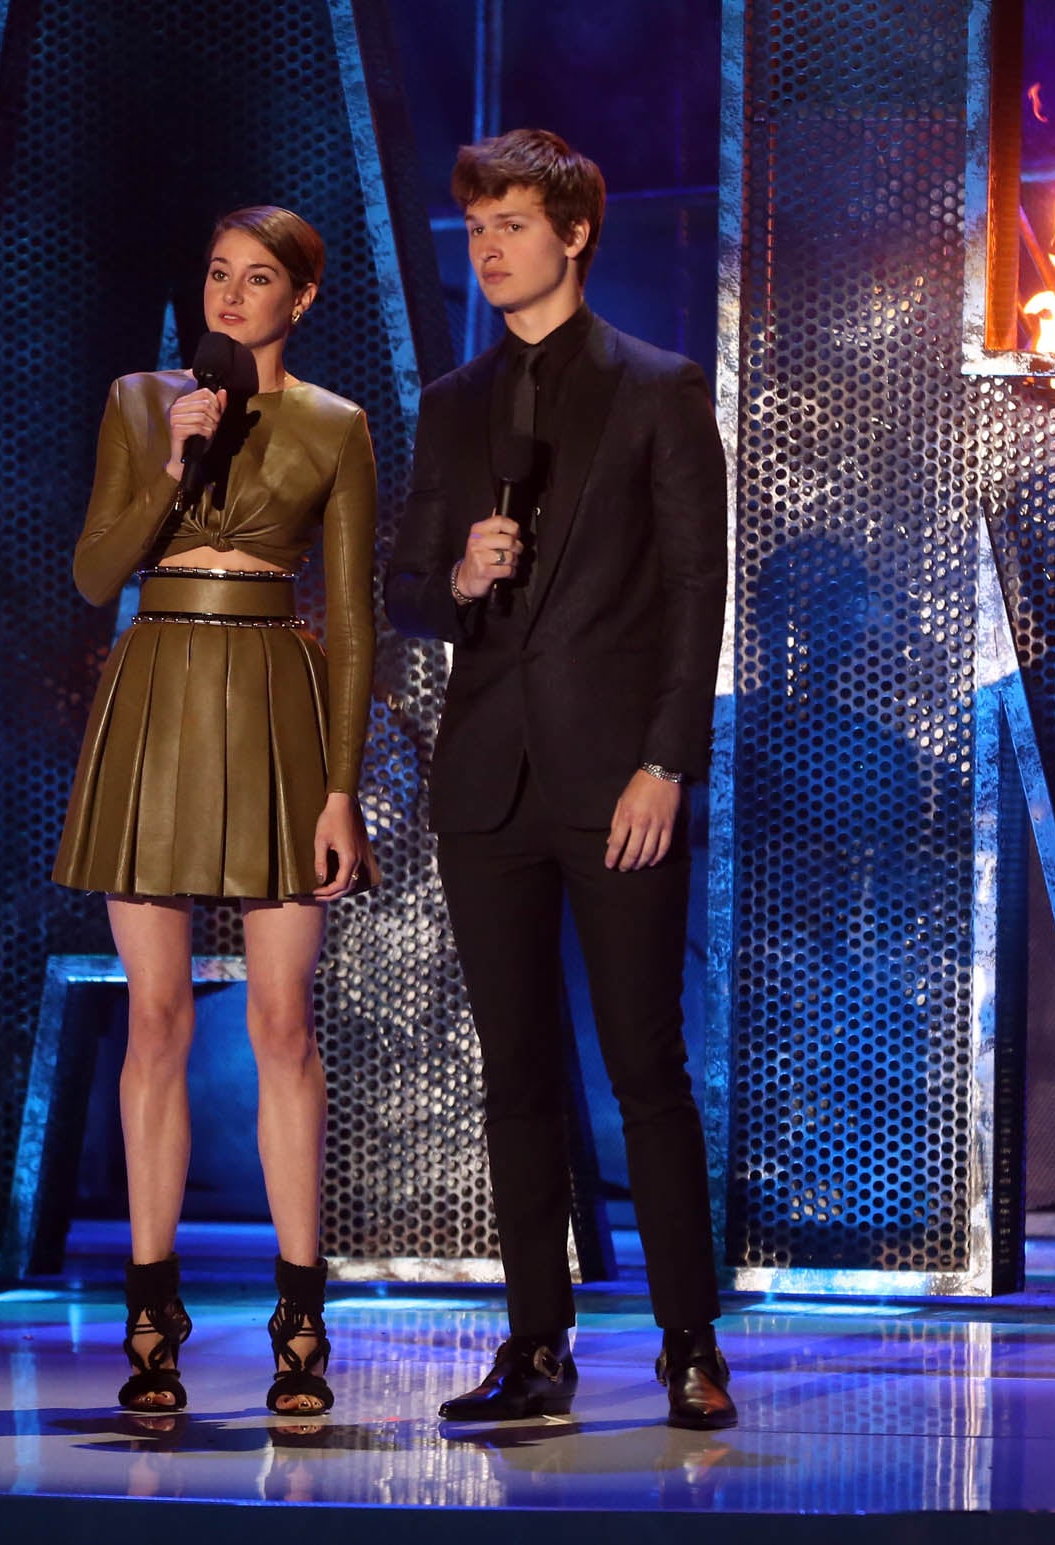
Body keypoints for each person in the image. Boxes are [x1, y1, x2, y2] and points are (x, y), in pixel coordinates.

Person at [383, 130, 733, 1429]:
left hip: (615, 781)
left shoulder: (657, 387)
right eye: (476, 225)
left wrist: (665, 763)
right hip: (488, 786)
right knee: (514, 1069)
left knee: (645, 1062)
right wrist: (463, 576)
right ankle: (536, 1346)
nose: (488, 247)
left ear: (575, 234)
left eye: (513, 225)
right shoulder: (452, 404)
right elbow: (408, 590)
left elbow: (697, 591)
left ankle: (690, 1340)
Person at [54, 205, 378, 1418]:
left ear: (300, 299)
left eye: (257, 279)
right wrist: (170, 465)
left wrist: (341, 786)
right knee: (153, 1022)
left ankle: (300, 1309)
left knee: (283, 1022)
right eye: (215, 274)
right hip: (155, 694)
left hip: (276, 707)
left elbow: (350, 624)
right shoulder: (144, 401)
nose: (229, 295)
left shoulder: (335, 426)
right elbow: (96, 574)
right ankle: (152, 1309)